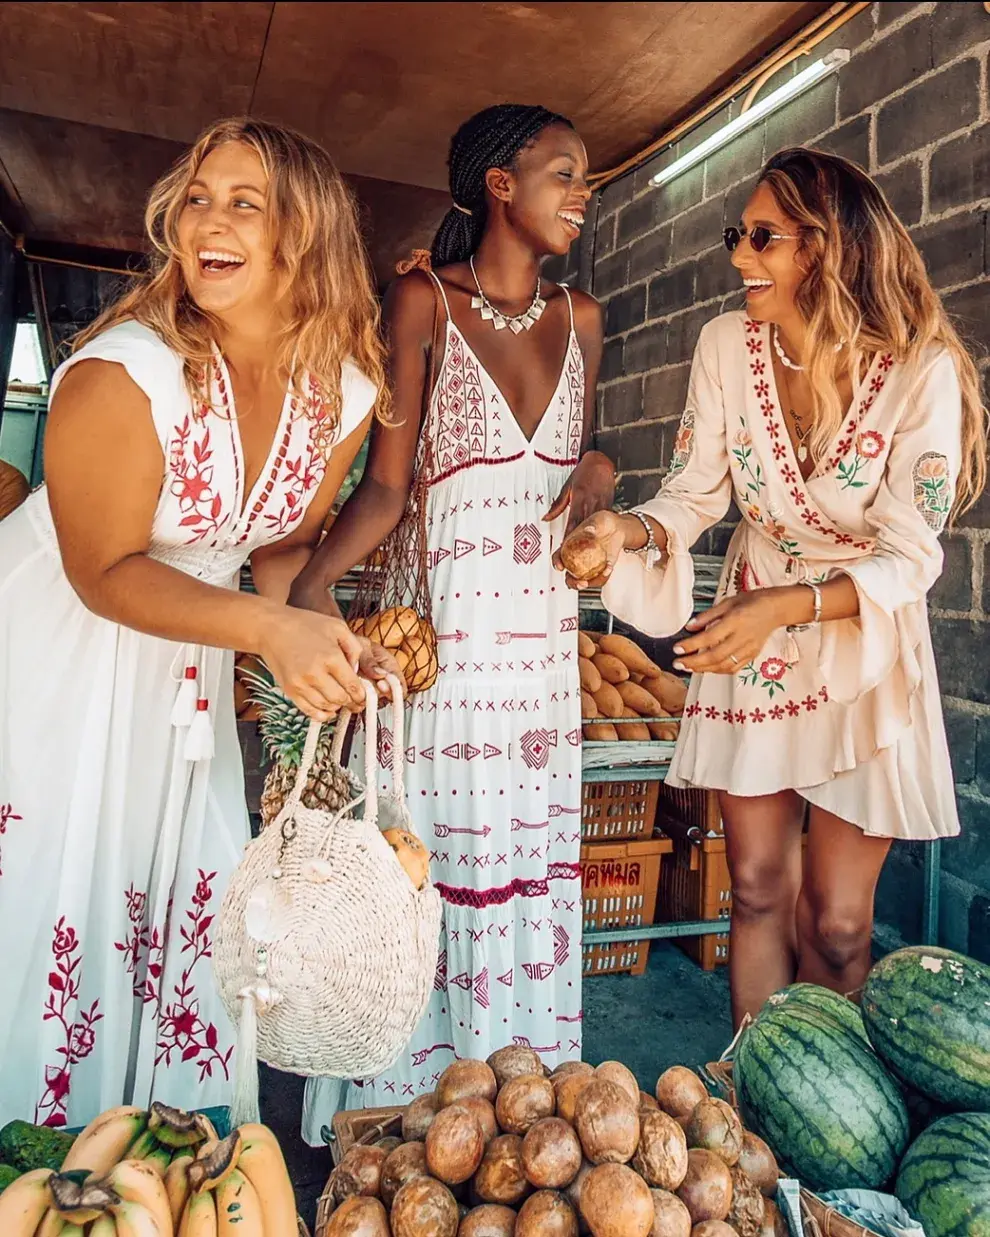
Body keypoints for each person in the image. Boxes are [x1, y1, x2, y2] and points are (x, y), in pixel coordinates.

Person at [0, 117, 396, 1125]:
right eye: (199, 197)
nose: (206, 222)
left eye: (243, 203)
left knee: (182, 895)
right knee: (57, 884)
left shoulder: (344, 387)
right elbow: (102, 572)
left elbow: (278, 554)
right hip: (62, 658)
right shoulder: (120, 374)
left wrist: (332, 643)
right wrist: (269, 634)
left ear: (303, 235)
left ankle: (144, 1150)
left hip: (190, 672)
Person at [557, 146, 987, 1027]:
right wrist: (624, 530)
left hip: (861, 643)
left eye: (762, 237)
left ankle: (825, 1113)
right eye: (735, 236)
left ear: (827, 247)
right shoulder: (726, 346)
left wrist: (778, 612)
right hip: (755, 642)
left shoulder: (921, 370)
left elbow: (912, 552)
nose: (740, 257)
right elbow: (695, 493)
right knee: (753, 885)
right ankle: (756, 1103)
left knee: (835, 921)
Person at [291, 103, 613, 1137]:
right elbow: (388, 492)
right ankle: (406, 1129)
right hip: (449, 667)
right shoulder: (420, 299)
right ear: (500, 185)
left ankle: (516, 1120)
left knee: (525, 874)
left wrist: (603, 472)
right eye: (565, 172)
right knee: (434, 871)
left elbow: (580, 476)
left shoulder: (588, 320)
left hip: (543, 672)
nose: (583, 193)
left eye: (588, 178)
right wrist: (300, 598)